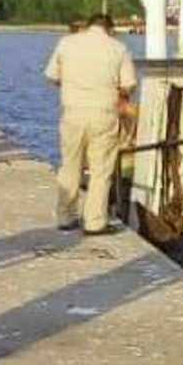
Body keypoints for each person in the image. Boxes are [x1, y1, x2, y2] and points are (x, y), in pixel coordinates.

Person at [44, 13, 136, 234]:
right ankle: (94, 222)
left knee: (70, 165)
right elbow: (129, 85)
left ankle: (65, 217)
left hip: (73, 113)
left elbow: (52, 76)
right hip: (104, 114)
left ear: (88, 26)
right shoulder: (118, 48)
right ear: (110, 29)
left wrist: (71, 86)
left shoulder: (66, 43)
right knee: (101, 170)